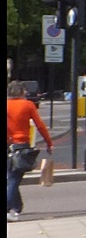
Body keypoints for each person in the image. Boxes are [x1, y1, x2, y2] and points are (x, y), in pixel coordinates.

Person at [8, 80, 53, 222]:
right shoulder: (27, 105)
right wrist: (49, 143)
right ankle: (9, 209)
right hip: (21, 145)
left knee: (11, 177)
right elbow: (40, 125)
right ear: (21, 92)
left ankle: (17, 206)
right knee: (14, 178)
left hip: (8, 144)